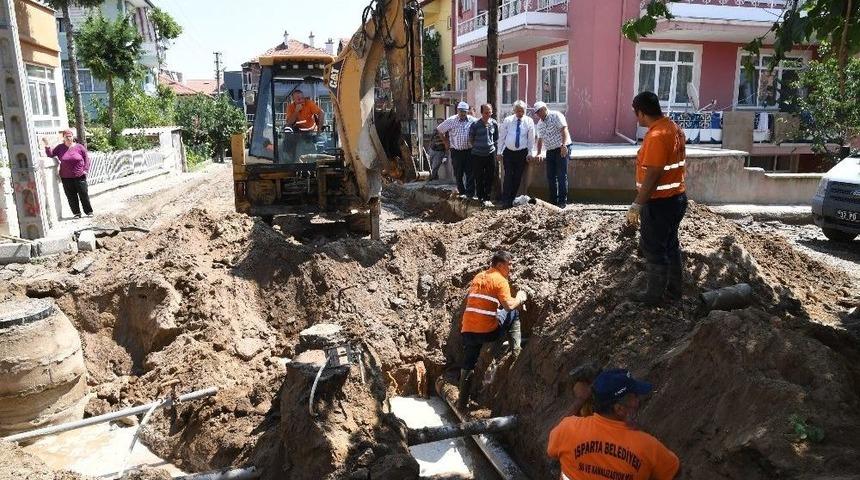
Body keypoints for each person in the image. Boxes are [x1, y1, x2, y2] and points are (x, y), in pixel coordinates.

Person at [547, 369, 680, 480]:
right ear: (619, 409)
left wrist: (580, 400)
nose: (638, 402)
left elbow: (553, 447)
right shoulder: (647, 446)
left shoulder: (568, 429)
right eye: (634, 397)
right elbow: (673, 472)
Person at [626, 91, 688, 306]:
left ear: (641, 113)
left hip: (660, 202)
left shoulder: (656, 136)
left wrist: (637, 204)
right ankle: (673, 292)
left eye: (636, 114)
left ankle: (654, 297)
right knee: (670, 245)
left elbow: (653, 173)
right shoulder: (673, 127)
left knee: (654, 248)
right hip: (676, 198)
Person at [458, 251, 527, 409]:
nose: (512, 268)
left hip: (468, 329)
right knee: (514, 313)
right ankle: (516, 351)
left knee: (469, 363)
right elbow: (509, 306)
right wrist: (521, 298)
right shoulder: (501, 280)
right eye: (510, 265)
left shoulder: (479, 276)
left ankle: (461, 403)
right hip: (487, 333)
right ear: (501, 265)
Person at [42, 129, 92, 219]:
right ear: (64, 138)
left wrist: (85, 170)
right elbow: (50, 154)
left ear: (72, 137)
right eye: (66, 137)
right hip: (66, 177)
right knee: (71, 196)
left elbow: (86, 159)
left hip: (80, 175)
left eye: (70, 136)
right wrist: (47, 144)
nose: (69, 138)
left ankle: (88, 211)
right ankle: (76, 213)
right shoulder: (60, 148)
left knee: (83, 194)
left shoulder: (79, 147)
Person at [497, 100, 536, 208]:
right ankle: (505, 200)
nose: (520, 113)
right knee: (508, 176)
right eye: (518, 111)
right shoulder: (508, 120)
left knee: (518, 177)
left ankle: (512, 199)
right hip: (509, 153)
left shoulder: (529, 121)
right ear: (514, 111)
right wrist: (499, 152)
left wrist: (530, 153)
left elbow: (531, 139)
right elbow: (502, 137)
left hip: (521, 153)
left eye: (522, 111)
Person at [534, 101, 573, 208]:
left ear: (544, 109)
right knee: (550, 176)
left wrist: (563, 145)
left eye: (539, 111)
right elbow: (540, 139)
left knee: (561, 175)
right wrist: (538, 153)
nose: (538, 114)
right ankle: (553, 200)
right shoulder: (540, 124)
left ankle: (562, 201)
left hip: (562, 147)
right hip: (550, 150)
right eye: (536, 113)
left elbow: (564, 129)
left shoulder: (556, 115)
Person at [437, 102, 477, 197]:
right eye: (460, 111)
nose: (462, 113)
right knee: (458, 173)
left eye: (464, 112)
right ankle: (461, 191)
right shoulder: (451, 120)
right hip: (456, 151)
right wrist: (446, 142)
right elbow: (439, 129)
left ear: (467, 112)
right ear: (457, 111)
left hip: (469, 151)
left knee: (470, 173)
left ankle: (470, 194)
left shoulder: (472, 120)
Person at [468, 104, 499, 205]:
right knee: (479, 176)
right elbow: (471, 139)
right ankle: (480, 197)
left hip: (490, 153)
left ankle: (487, 197)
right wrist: (478, 146)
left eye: (490, 112)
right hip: (477, 154)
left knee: (490, 176)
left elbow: (495, 138)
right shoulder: (475, 124)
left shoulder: (494, 123)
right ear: (481, 113)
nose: (488, 114)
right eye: (486, 112)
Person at [284, 90, 324, 161]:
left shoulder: (309, 104)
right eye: (298, 99)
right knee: (286, 133)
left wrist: (319, 129)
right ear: (294, 100)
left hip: (311, 132)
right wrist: (296, 111)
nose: (301, 100)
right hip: (297, 134)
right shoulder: (290, 108)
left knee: (323, 143)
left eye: (302, 98)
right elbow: (289, 123)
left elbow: (321, 113)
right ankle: (290, 158)